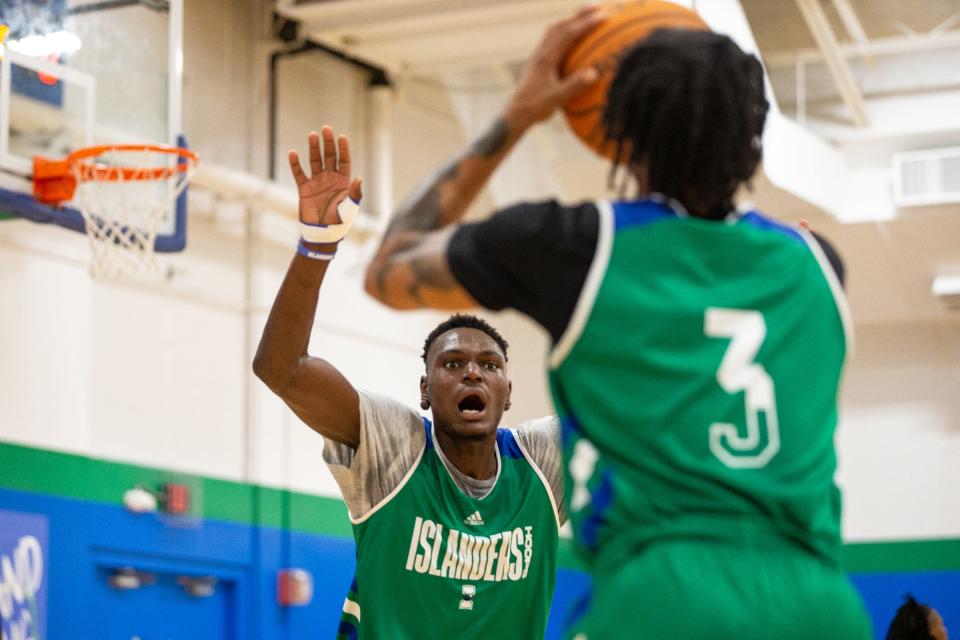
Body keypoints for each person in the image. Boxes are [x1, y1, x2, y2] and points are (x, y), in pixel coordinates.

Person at [362, 5, 872, 640]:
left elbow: (389, 267)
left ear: (624, 126)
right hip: (822, 605)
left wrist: (517, 113)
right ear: (755, 129)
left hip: (661, 597)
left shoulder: (581, 248)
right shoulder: (821, 266)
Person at [252, 126, 564, 639]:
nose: (471, 371)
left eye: (490, 365)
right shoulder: (395, 446)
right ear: (424, 391)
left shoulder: (542, 464)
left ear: (508, 395)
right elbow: (280, 367)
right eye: (452, 363)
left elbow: (637, 407)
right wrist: (316, 245)